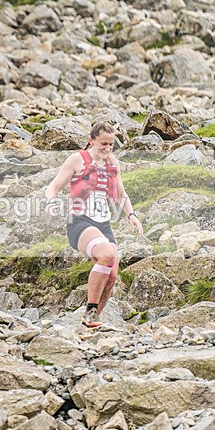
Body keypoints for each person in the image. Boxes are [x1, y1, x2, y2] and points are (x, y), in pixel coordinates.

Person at [45, 121, 143, 328]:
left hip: (103, 224)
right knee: (106, 255)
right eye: (103, 144)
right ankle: (89, 311)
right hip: (79, 222)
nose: (107, 149)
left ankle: (92, 319)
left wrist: (131, 215)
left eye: (111, 144)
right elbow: (53, 187)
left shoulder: (113, 164)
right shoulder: (77, 159)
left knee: (112, 274)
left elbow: (121, 194)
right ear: (92, 141)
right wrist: (51, 202)